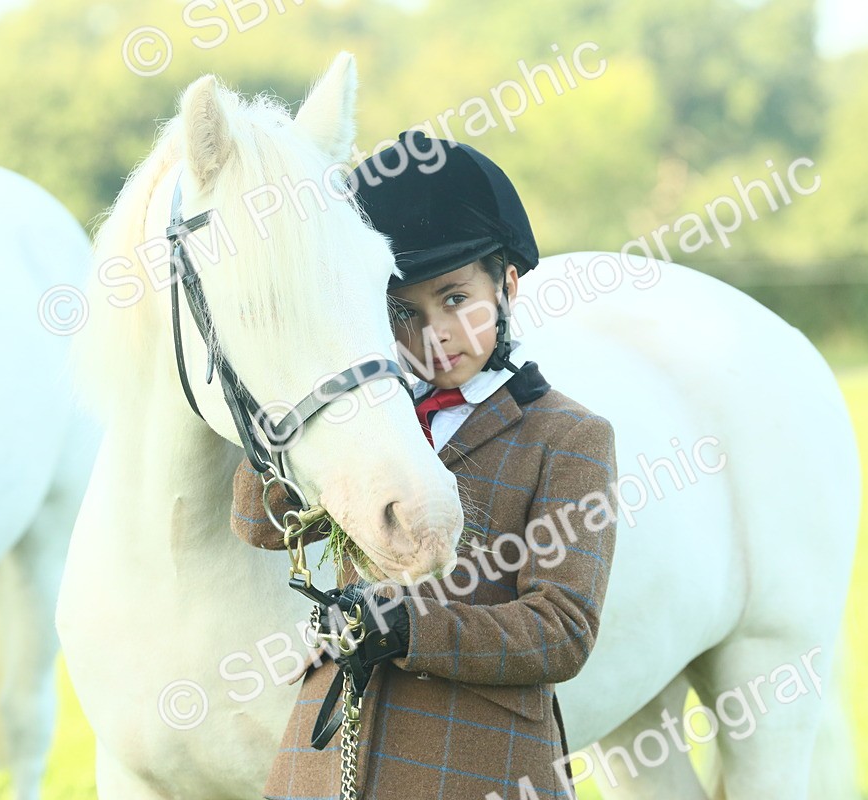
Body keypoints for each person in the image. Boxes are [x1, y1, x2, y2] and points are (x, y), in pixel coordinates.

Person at [231, 131, 617, 800]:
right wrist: (298, 400)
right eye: (402, 313)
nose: (431, 337)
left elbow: (563, 631)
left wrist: (411, 627)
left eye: (455, 300)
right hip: (330, 758)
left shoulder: (569, 437)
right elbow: (258, 524)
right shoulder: (368, 428)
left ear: (508, 285)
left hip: (476, 765)